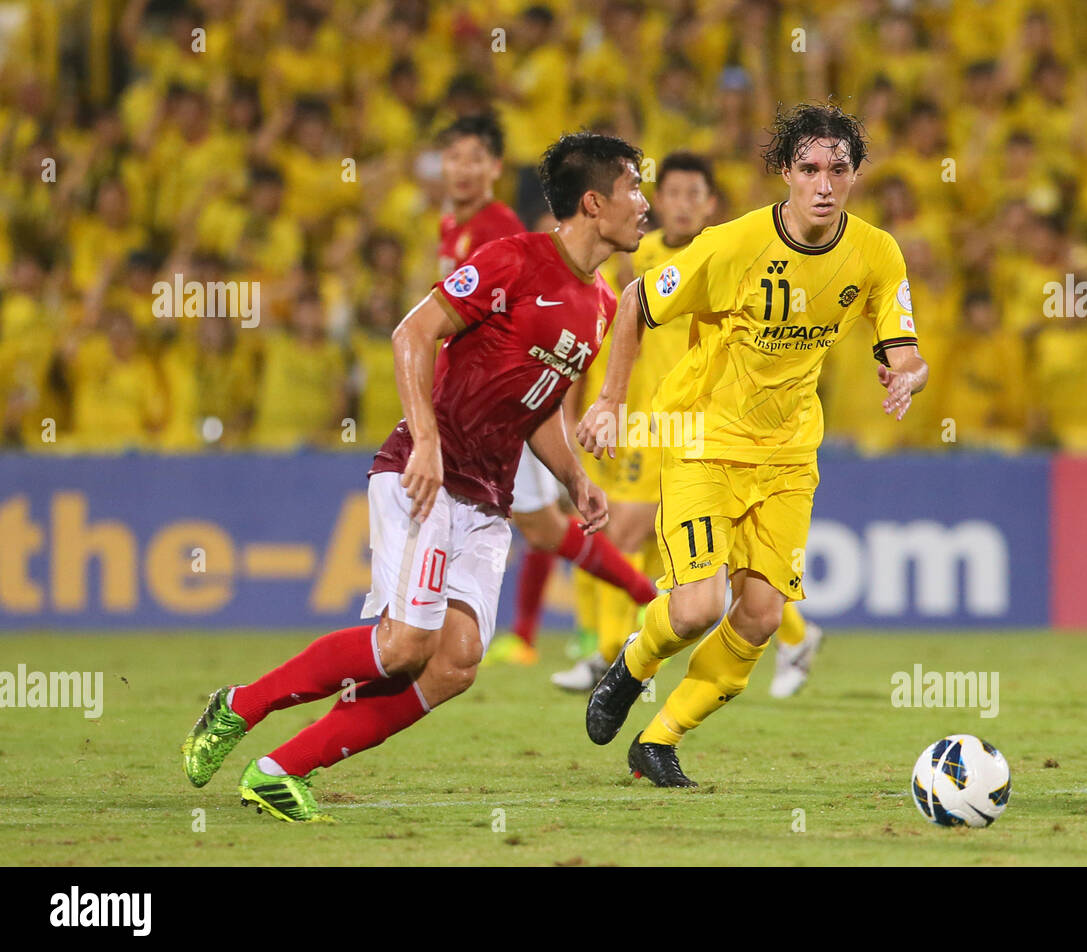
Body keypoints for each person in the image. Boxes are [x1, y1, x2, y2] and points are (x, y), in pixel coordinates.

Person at [181, 132, 649, 822]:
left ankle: (280, 771)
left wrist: (575, 477)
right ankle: (241, 706)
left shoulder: (603, 302)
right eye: (634, 187)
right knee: (405, 645)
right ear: (593, 201)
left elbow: (540, 402)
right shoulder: (513, 259)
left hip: (487, 498)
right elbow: (412, 332)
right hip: (425, 474)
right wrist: (425, 441)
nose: (643, 203)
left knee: (455, 662)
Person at [577, 104, 929, 786]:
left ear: (855, 175)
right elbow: (634, 305)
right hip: (704, 439)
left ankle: (660, 740)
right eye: (809, 169)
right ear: (786, 175)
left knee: (763, 614)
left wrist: (908, 377)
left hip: (791, 455)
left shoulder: (878, 253)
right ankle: (633, 660)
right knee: (696, 608)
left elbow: (907, 351)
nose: (824, 184)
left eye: (838, 169)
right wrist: (612, 401)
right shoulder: (733, 245)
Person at [553, 151, 823, 696]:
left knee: (667, 542)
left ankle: (616, 654)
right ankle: (616, 652)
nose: (680, 205)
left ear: (711, 204)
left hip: (706, 426)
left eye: (692, 195)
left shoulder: (730, 257)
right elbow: (618, 316)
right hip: (650, 422)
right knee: (640, 538)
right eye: (670, 193)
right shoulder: (642, 257)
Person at [434, 114, 658, 667]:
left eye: (474, 158)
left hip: (510, 405)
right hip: (483, 405)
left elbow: (547, 332)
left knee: (541, 525)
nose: (462, 169)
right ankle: (597, 619)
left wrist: (573, 405)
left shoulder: (501, 231)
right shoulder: (451, 224)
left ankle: (629, 608)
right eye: (453, 157)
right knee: (540, 526)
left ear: (493, 168)